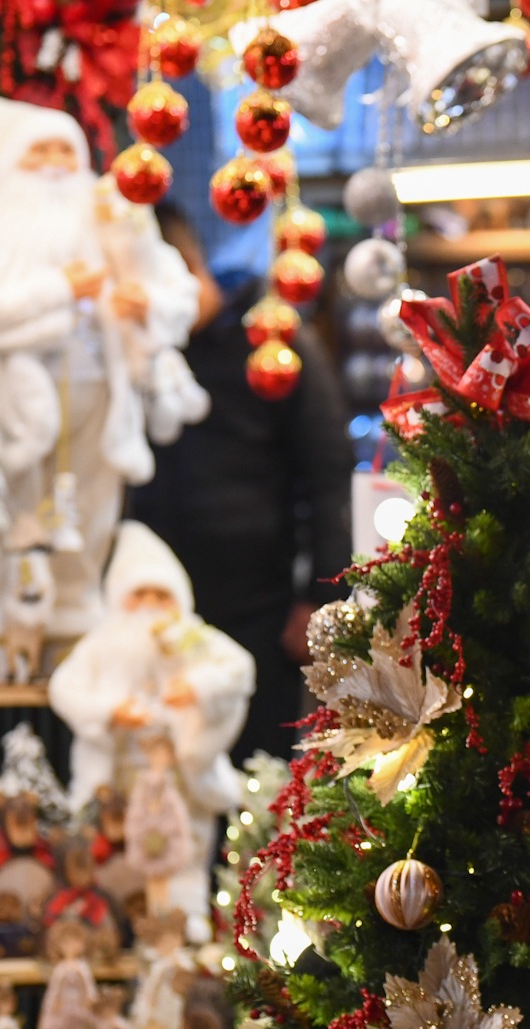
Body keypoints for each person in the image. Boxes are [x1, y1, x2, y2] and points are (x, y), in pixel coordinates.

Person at [0, 47, 202, 672]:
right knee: (7, 506)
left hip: (99, 388)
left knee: (90, 505)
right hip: (10, 396)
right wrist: (57, 293)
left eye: (63, 153)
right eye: (36, 153)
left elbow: (170, 284)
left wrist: (144, 304)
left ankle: (73, 621)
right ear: (7, 162)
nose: (52, 167)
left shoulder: (111, 215)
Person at [130, 203, 354, 761]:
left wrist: (321, 601)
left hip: (260, 612)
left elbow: (328, 477)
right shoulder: (131, 350)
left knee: (257, 785)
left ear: (189, 265)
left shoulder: (272, 343)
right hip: (147, 618)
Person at [48, 521, 255, 942]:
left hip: (177, 771)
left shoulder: (195, 640)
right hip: (120, 778)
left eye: (160, 596)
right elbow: (63, 688)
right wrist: (110, 711)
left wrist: (198, 687)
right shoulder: (102, 644)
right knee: (116, 848)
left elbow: (239, 669)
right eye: (138, 595)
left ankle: (182, 912)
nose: (149, 606)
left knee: (182, 842)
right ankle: (115, 915)